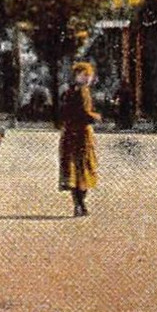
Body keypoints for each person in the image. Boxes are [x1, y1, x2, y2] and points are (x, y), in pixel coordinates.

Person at [59, 60, 101, 217]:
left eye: (89, 75)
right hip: (82, 136)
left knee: (73, 171)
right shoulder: (83, 91)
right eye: (86, 75)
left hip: (69, 134)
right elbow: (84, 113)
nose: (88, 78)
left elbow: (62, 112)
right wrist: (96, 117)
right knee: (84, 169)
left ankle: (78, 205)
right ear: (78, 76)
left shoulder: (69, 90)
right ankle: (81, 205)